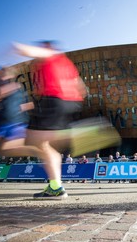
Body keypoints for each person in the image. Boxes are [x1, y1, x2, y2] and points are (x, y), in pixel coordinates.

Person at [14, 41, 120, 199]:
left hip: (53, 99)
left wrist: (15, 48)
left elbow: (22, 49)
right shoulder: (66, 63)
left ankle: (91, 132)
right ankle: (55, 186)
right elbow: (82, 89)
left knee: (35, 139)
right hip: (68, 102)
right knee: (47, 146)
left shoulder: (51, 55)